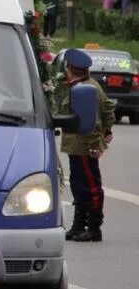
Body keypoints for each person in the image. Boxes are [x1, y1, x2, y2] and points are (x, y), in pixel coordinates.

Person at [59, 48, 115, 242]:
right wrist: (107, 131)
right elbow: (108, 109)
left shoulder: (84, 89)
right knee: (78, 185)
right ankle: (78, 225)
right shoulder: (87, 85)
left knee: (90, 186)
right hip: (78, 145)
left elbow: (93, 120)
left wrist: (95, 143)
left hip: (83, 145)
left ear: (70, 68)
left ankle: (93, 227)